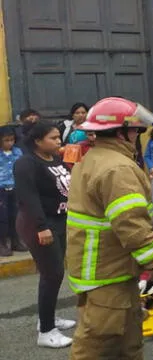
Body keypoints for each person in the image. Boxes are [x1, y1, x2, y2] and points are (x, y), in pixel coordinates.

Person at [66, 97, 153, 359]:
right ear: (120, 132)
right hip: (108, 273)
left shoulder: (95, 158)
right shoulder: (117, 168)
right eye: (135, 129)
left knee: (126, 343)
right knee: (98, 347)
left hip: (108, 270)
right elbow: (130, 220)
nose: (138, 134)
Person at [13, 121, 75, 348]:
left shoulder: (55, 159)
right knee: (53, 273)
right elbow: (28, 198)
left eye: (59, 137)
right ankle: (47, 331)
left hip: (58, 221)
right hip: (39, 224)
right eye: (53, 138)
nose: (59, 141)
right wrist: (41, 227)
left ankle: (47, 318)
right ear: (37, 141)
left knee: (53, 273)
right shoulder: (26, 163)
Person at [0, 125, 24, 256]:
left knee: (15, 216)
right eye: (6, 140)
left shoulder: (18, 152)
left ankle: (16, 241)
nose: (10, 143)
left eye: (12, 140)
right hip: (1, 189)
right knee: (2, 217)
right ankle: (2, 243)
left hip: (15, 187)